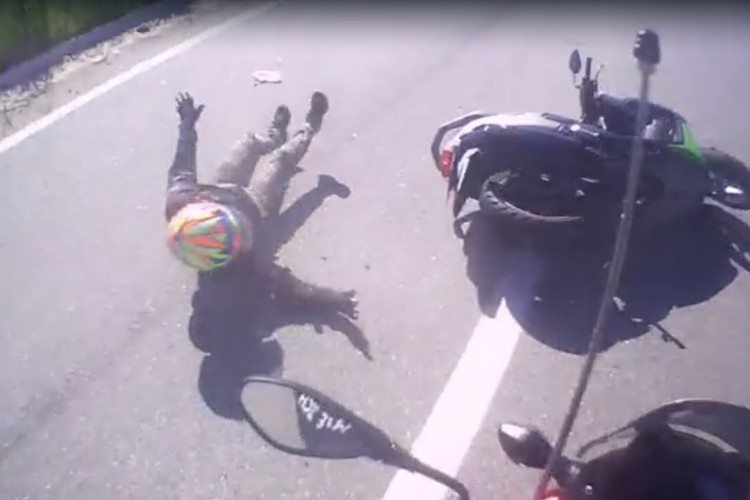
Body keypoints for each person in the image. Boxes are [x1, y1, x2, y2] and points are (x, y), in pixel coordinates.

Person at [164, 90, 357, 319]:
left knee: (249, 143)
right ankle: (310, 127)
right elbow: (291, 287)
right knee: (280, 159)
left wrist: (187, 122)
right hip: (256, 202)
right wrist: (336, 301)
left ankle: (275, 135)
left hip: (223, 186)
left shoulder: (180, 201)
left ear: (199, 204)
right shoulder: (245, 268)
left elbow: (183, 161)